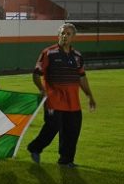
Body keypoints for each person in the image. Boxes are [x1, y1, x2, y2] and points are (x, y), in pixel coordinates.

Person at [27, 23, 96, 168]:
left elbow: (82, 77)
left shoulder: (77, 56)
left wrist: (89, 96)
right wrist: (41, 88)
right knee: (52, 127)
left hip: (73, 102)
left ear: (73, 37)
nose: (65, 36)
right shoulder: (48, 53)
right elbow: (36, 74)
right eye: (62, 33)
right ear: (59, 35)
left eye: (68, 34)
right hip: (54, 100)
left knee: (72, 131)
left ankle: (66, 161)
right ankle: (35, 148)